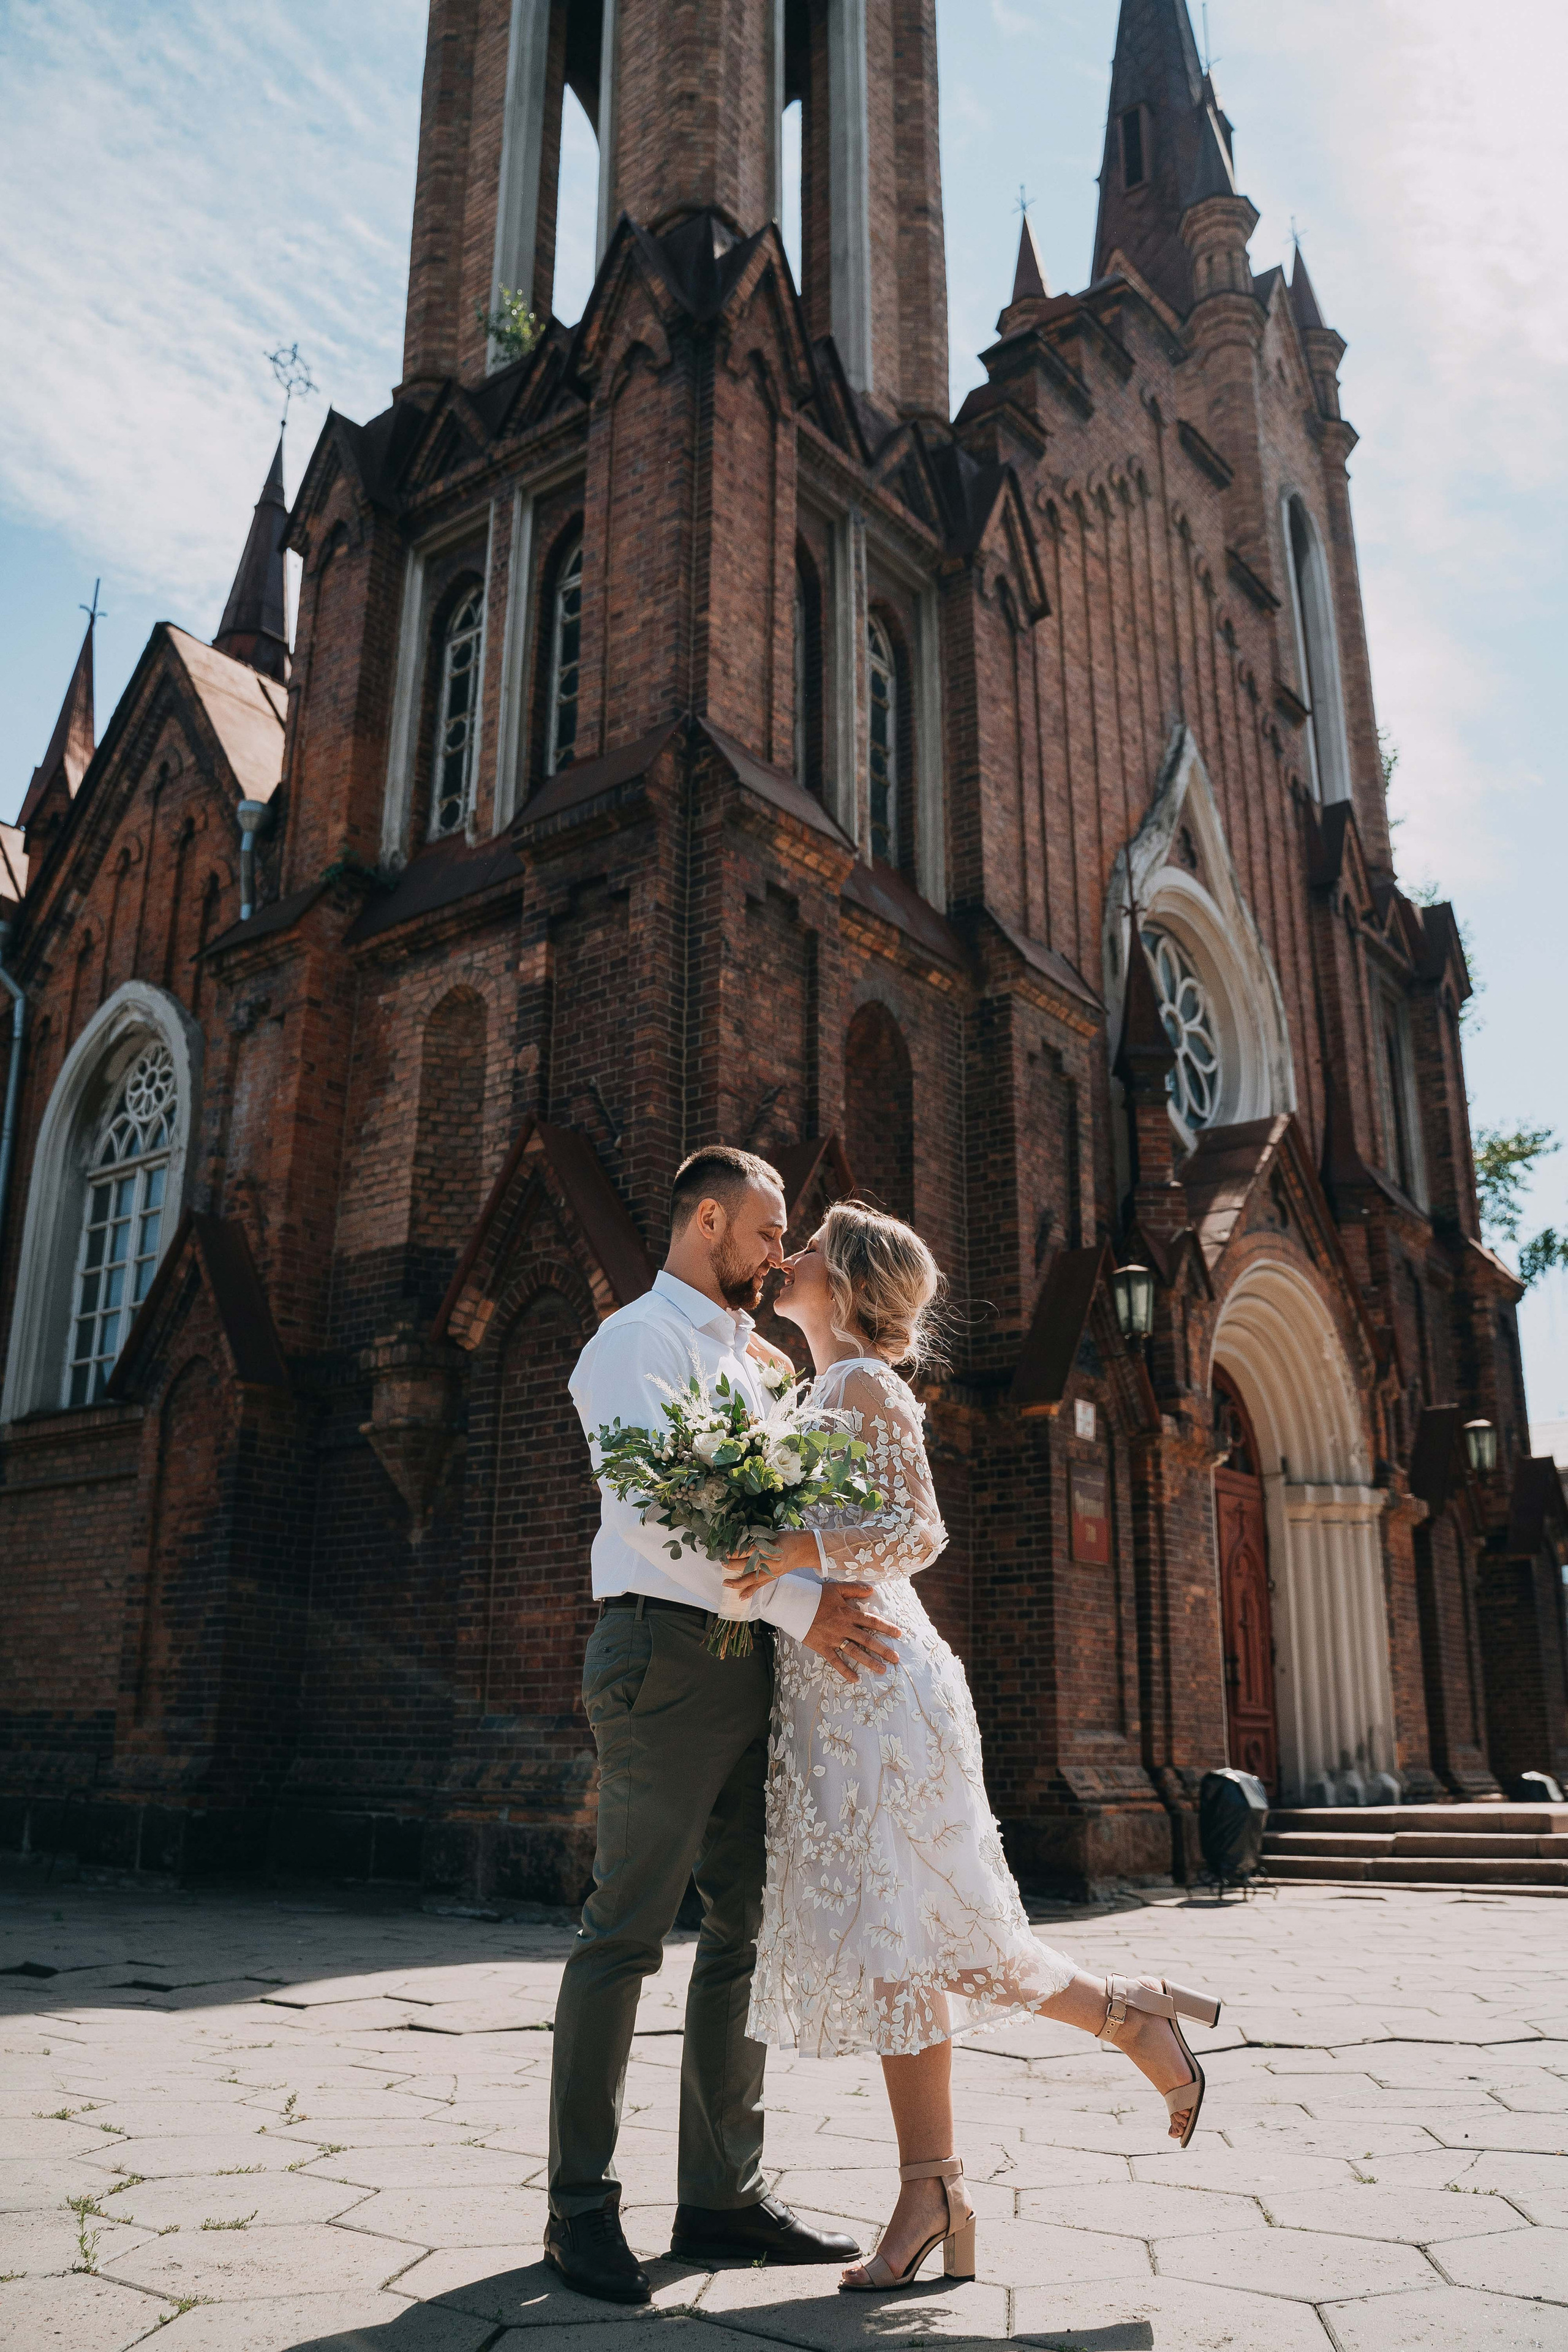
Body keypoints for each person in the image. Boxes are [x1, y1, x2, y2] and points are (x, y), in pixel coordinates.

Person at [736, 1202, 1221, 2293]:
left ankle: (936, 2185)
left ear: (849, 1281)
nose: (794, 1254)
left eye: (812, 1244)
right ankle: (1118, 2026)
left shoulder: (863, 1382)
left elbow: (917, 1530)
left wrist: (782, 1540)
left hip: (880, 1689)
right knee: (928, 1940)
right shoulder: (816, 1386)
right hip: (835, 1684)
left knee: (915, 1938)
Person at [545, 1145, 903, 2306]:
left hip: (753, 1662)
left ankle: (719, 2200)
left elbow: (779, 1509)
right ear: (707, 1219)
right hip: (662, 1652)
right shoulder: (629, 1346)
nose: (778, 1251)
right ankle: (579, 2211)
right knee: (627, 1929)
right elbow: (663, 1513)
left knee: (744, 1928)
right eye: (765, 1229)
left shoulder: (752, 1361)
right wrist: (807, 1605)